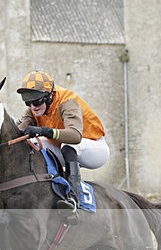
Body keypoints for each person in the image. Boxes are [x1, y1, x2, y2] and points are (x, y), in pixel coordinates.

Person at [16, 71, 109, 224]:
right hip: (66, 148)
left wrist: (44, 131)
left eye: (36, 101)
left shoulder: (67, 101)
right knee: (33, 143)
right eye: (28, 102)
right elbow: (18, 131)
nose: (33, 106)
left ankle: (73, 199)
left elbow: (75, 136)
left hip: (94, 149)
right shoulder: (34, 108)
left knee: (67, 145)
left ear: (49, 96)